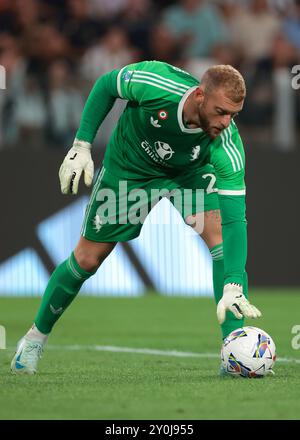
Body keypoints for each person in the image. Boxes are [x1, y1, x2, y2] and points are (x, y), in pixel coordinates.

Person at [11, 60, 261, 375]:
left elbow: (236, 220)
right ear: (199, 96)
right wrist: (82, 144)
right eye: (221, 111)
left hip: (189, 174)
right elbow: (105, 85)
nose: (226, 122)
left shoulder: (226, 144)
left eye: (233, 115)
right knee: (87, 259)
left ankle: (233, 351)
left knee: (220, 240)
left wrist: (235, 282)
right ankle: (34, 339)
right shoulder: (156, 83)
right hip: (130, 169)